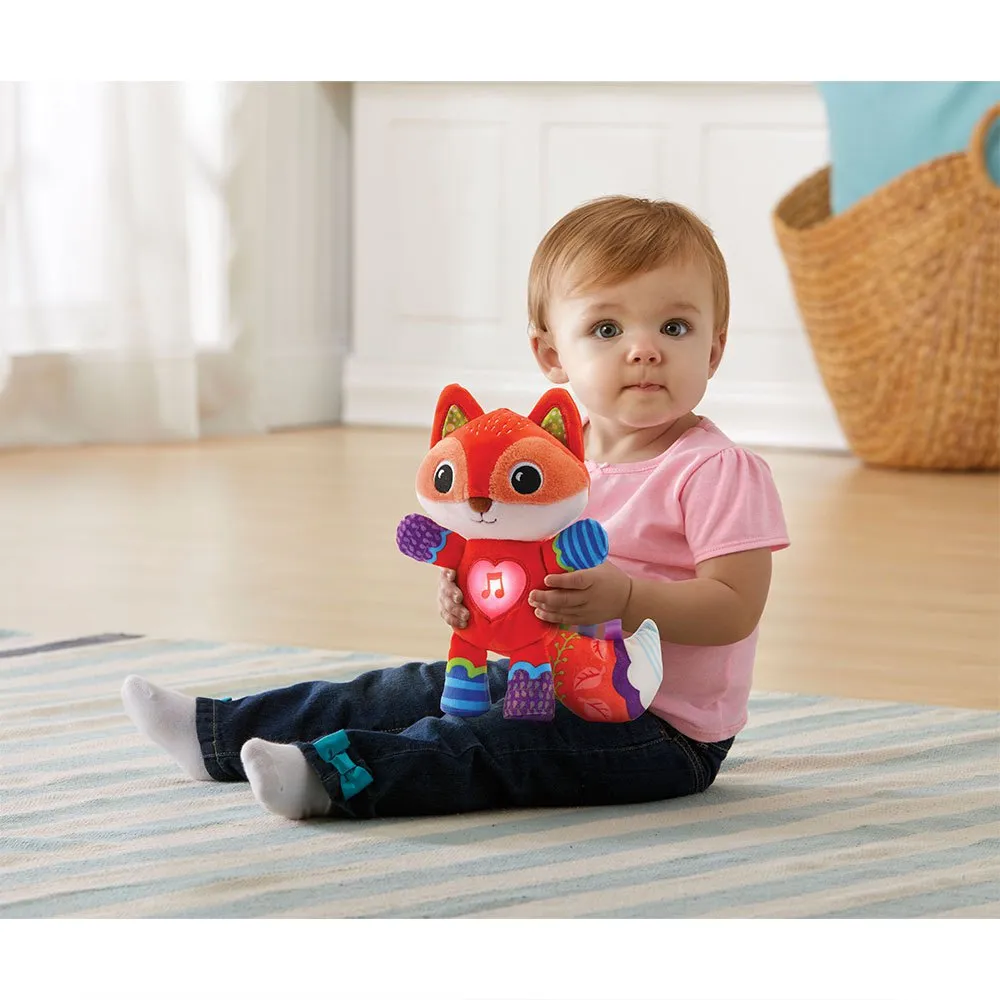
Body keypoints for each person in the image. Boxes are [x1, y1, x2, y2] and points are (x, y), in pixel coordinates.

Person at [121, 195, 789, 820]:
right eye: (607, 328)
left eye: (675, 326)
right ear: (552, 354)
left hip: (658, 730)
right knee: (406, 689)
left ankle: (329, 778)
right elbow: (508, 558)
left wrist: (627, 598)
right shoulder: (546, 466)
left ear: (714, 348)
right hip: (539, 672)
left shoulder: (716, 470)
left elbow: (735, 607)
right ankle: (218, 733)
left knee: (485, 745)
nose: (644, 349)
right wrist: (470, 592)